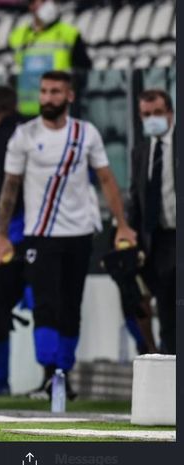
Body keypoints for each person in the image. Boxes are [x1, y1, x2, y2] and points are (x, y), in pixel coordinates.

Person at [0, 71, 137, 400]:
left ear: (69, 96)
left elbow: (107, 180)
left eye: (55, 92)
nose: (48, 98)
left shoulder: (85, 134)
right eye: (44, 91)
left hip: (80, 232)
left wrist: (122, 224)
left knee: (72, 305)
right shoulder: (24, 135)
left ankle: (63, 375)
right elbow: (9, 188)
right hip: (40, 234)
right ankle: (48, 372)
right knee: (45, 303)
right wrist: (2, 235)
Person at [0, 85, 27, 395]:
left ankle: (2, 380)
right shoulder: (32, 131)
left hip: (7, 232)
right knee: (49, 306)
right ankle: (54, 376)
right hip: (40, 230)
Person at [128, 89, 176, 355]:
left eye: (157, 113)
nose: (152, 119)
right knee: (167, 311)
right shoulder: (141, 152)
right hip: (159, 242)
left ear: (170, 112)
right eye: (146, 115)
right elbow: (136, 200)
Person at [9, 0, 91, 117]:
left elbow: (84, 68)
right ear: (31, 6)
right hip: (28, 111)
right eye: (42, 1)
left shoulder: (69, 33)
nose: (49, 4)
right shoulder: (18, 36)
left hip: (60, 110)